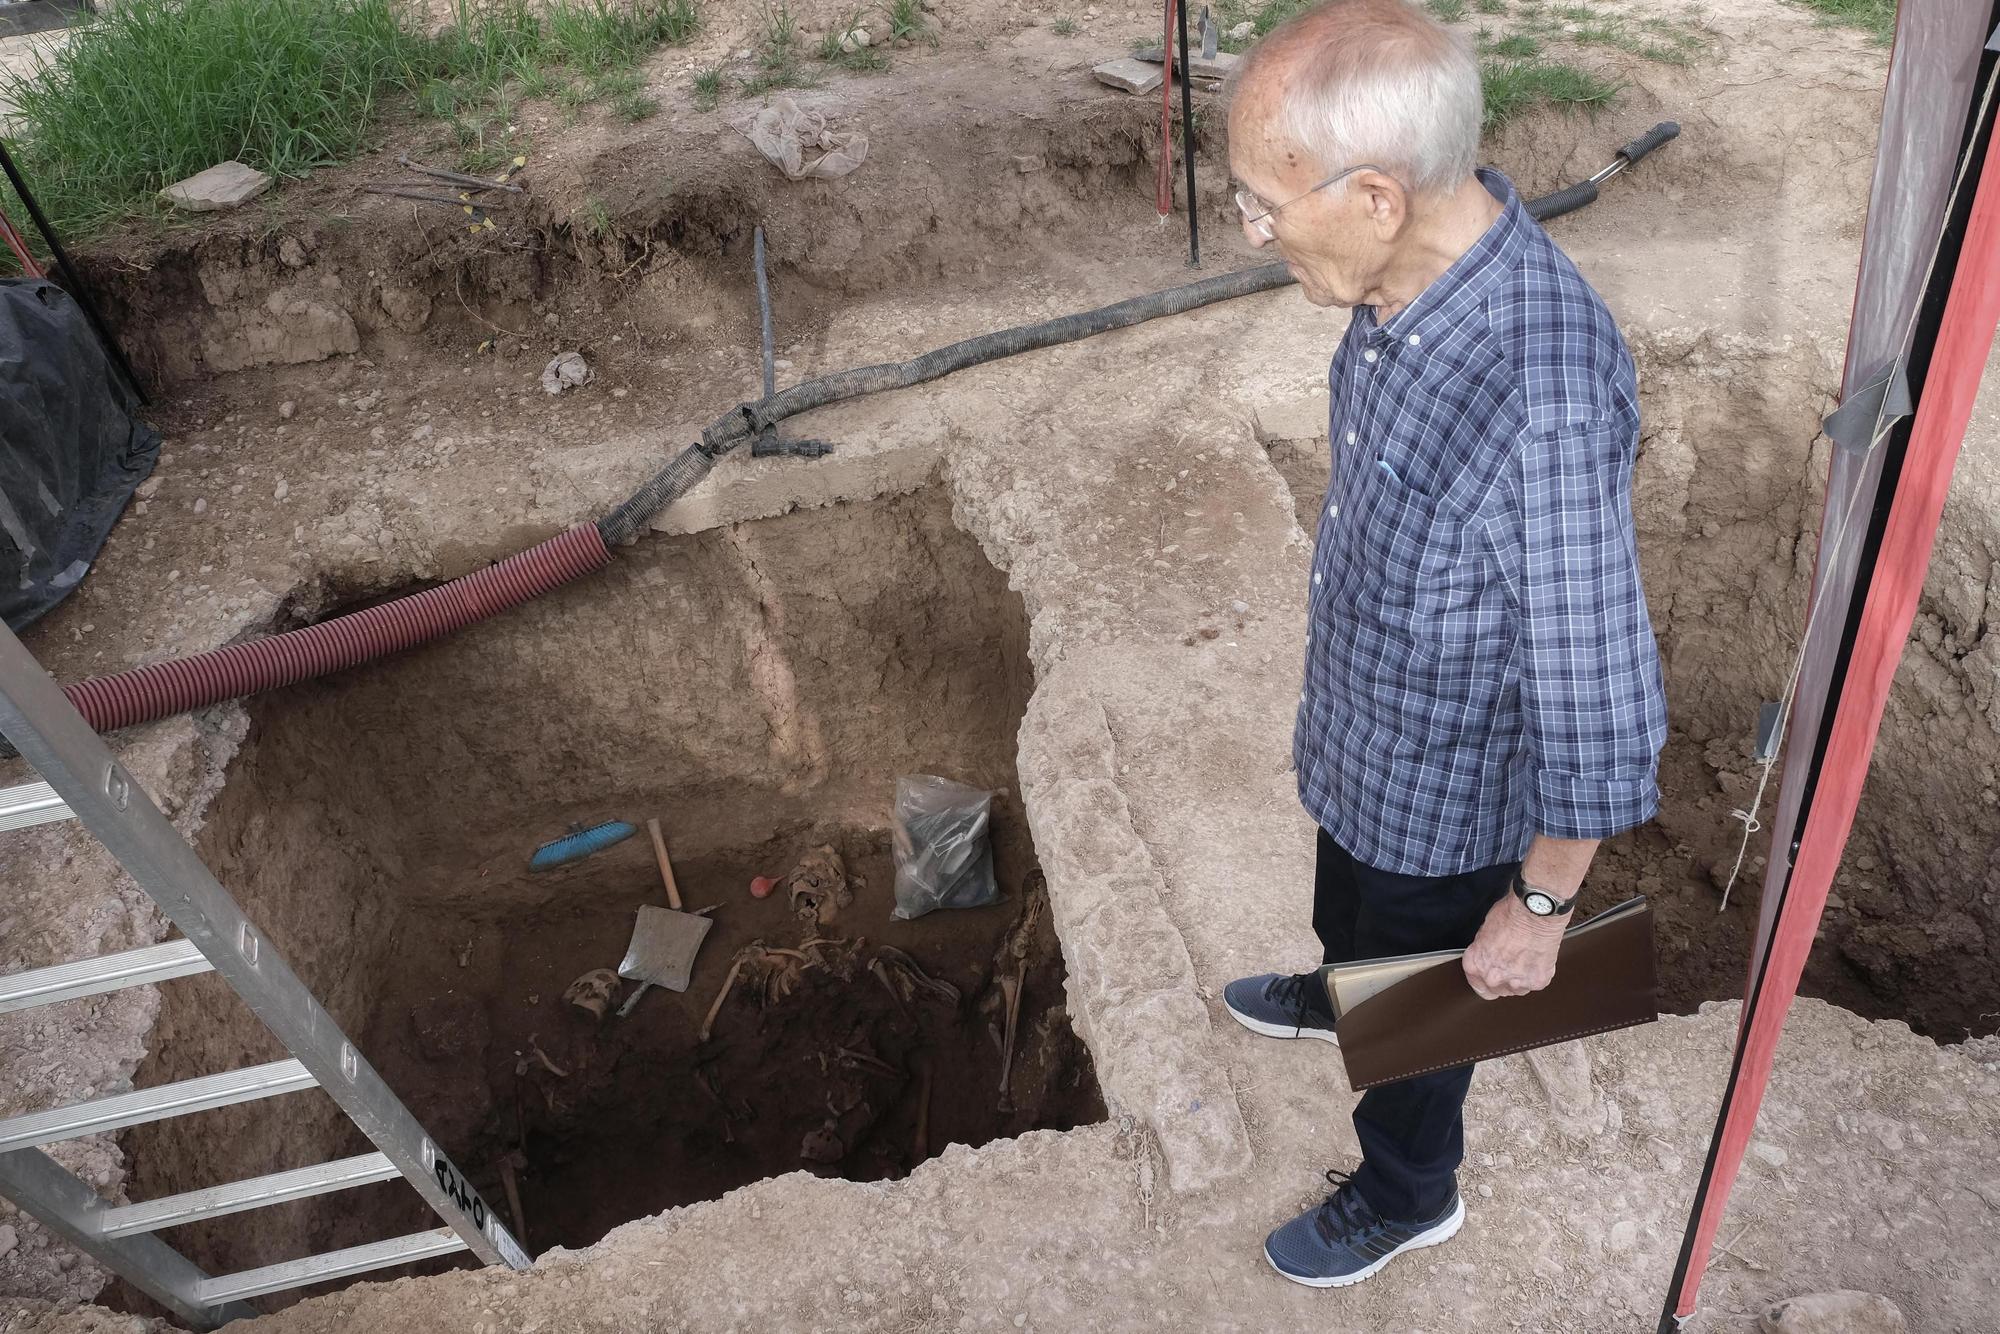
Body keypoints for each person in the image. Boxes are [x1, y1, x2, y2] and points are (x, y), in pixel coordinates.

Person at [1218, 0, 1669, 1290]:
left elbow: (1599, 691)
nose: (1253, 233)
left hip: (1454, 792)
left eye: (1262, 203)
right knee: (1350, 910)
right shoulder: (1403, 284)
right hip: (1375, 739)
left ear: (1373, 195)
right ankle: (1346, 987)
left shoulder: (1540, 389)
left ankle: (1410, 1190)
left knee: (1422, 1006)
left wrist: (1537, 908)